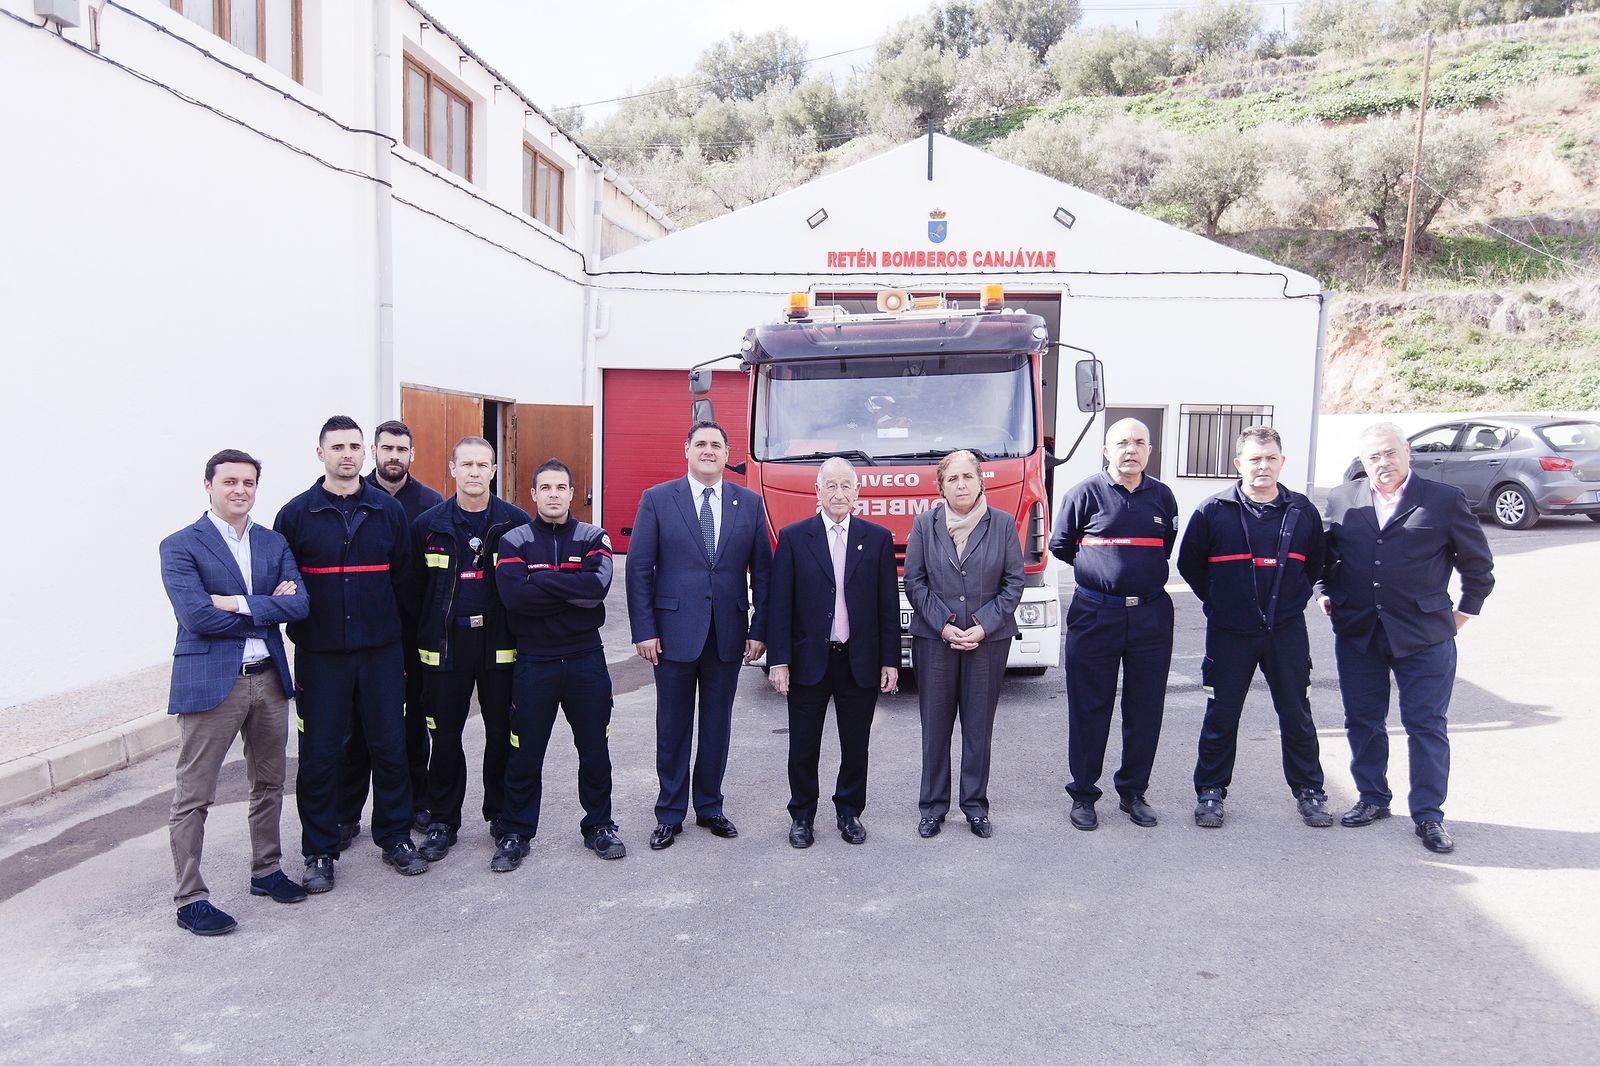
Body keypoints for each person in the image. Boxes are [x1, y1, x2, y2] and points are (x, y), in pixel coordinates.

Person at [1319, 422, 1495, 854]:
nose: (1383, 462)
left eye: (1390, 453)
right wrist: (1325, 591)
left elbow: (1478, 566)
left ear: (1407, 453)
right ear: (1363, 462)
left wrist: (1462, 615)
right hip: (1359, 633)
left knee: (1426, 725)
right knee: (1362, 720)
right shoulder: (1342, 498)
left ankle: (1429, 814)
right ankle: (1373, 797)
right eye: (1373, 456)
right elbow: (1327, 557)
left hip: (1426, 635)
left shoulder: (1443, 500)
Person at [159, 449, 311, 936]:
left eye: (248, 482)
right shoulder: (181, 545)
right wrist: (265, 607)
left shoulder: (272, 542)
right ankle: (190, 898)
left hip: (268, 678)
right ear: (208, 485)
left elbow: (301, 606)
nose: (240, 490)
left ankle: (266, 871)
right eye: (229, 482)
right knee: (194, 794)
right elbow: (196, 617)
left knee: (269, 782)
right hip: (211, 683)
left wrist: (234, 603)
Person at [274, 415, 427, 891]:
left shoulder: (388, 511)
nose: (347, 454)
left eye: (354, 447)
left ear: (365, 453)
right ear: (320, 453)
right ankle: (319, 850)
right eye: (337, 447)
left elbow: (405, 581)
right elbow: (283, 585)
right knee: (320, 756)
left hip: (381, 655)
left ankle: (395, 837)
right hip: (321, 657)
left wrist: (394, 638)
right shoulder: (295, 515)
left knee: (390, 748)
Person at [626, 420, 772, 850]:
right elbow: (638, 568)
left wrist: (759, 629)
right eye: (701, 444)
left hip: (728, 633)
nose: (708, 451)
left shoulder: (749, 503)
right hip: (672, 635)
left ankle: (709, 806)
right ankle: (669, 812)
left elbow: (764, 573)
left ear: (727, 454)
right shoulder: (657, 499)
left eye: (716, 445)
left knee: (716, 726)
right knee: (672, 726)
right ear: (686, 450)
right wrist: (644, 630)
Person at [1176, 425, 1331, 829]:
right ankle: (1210, 792)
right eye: (1255, 459)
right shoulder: (1213, 511)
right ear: (1238, 464)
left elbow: (1315, 564)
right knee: (1221, 715)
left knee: (1296, 713)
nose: (1263, 466)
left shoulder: (1302, 512)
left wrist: (1292, 601)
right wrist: (1222, 602)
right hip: (1230, 633)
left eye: (1270, 458)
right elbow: (1191, 565)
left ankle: (1310, 791)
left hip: (1286, 632)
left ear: (1282, 462)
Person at [490, 459, 624, 871]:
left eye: (560, 487)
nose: (553, 494)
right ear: (533, 494)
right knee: (525, 752)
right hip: (535, 662)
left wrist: (541, 579)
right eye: (545, 487)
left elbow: (595, 590)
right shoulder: (513, 541)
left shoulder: (594, 536)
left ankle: (599, 826)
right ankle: (515, 832)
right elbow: (515, 599)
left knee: (595, 749)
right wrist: (569, 588)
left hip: (586, 660)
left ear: (571, 493)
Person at [1050, 417, 1179, 831]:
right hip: (1095, 614)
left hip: (1150, 616)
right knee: (1089, 706)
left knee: (1145, 707)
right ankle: (1084, 794)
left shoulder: (1163, 497)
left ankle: (1133, 792)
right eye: (1122, 442)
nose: (1131, 449)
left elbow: (1165, 547)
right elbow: (1061, 545)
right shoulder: (1083, 494)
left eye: (1139, 442)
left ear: (1149, 451)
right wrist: (1101, 572)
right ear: (1107, 450)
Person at [767, 457, 899, 848]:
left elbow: (887, 606)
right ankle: (802, 815)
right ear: (818, 491)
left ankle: (849, 812)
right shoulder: (794, 538)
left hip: (859, 660)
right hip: (809, 660)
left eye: (846, 486)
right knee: (803, 745)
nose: (839, 494)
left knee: (856, 745)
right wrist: (779, 660)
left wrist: (890, 660)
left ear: (857, 492)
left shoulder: (877, 539)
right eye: (831, 486)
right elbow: (780, 605)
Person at [409, 437, 530, 862]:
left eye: (483, 465)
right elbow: (413, 593)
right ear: (453, 469)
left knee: (503, 734)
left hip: (499, 646)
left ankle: (502, 817)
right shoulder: (428, 525)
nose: (475, 472)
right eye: (467, 464)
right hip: (446, 648)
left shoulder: (515, 523)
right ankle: (443, 821)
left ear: (494, 470)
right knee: (444, 737)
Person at [904, 449, 1023, 839]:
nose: (960, 485)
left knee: (977, 728)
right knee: (935, 727)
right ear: (941, 487)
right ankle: (933, 807)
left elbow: (1013, 583)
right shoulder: (925, 525)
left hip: (987, 642)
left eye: (967, 477)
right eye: (952, 479)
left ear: (980, 481)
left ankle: (975, 806)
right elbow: (915, 582)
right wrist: (944, 624)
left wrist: (983, 626)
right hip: (935, 641)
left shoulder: (1002, 524)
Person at [339, 419, 442, 844]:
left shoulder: (430, 503)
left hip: (412, 635)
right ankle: (347, 812)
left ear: (411, 454)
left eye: (402, 449)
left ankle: (416, 803)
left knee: (414, 723)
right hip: (363, 637)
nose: (394, 456)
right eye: (387, 448)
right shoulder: (353, 496)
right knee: (357, 729)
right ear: (374, 452)